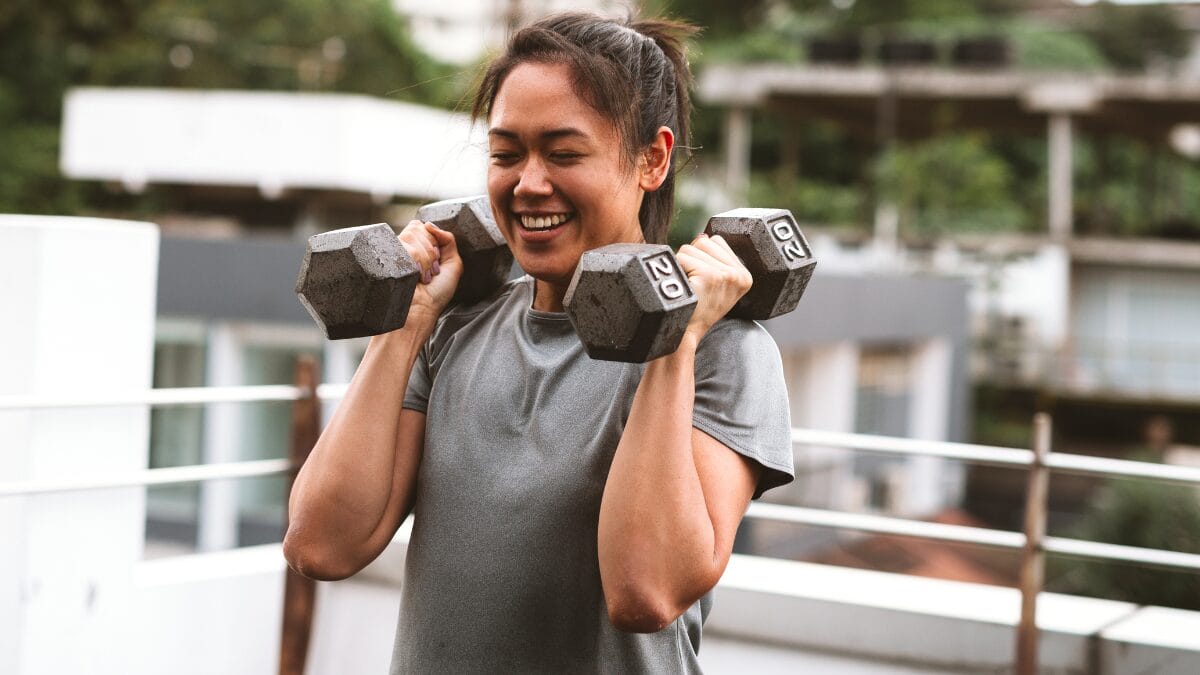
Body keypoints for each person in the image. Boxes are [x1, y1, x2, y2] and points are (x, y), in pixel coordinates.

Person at [283, 11, 794, 673]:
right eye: (505, 153)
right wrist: (403, 327)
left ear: (653, 158)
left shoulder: (724, 348)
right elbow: (321, 544)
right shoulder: (450, 327)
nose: (527, 184)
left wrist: (673, 343)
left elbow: (647, 591)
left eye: (563, 152)